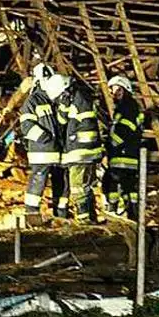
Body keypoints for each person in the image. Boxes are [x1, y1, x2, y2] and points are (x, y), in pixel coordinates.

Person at [19, 63, 69, 220]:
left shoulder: (55, 99)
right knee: (39, 179)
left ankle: (61, 213)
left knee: (62, 181)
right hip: (42, 151)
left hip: (58, 151)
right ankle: (31, 213)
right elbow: (26, 125)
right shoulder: (32, 101)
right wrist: (44, 138)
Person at [55, 74, 103, 222]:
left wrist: (62, 104)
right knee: (86, 186)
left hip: (79, 152)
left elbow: (62, 120)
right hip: (89, 152)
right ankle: (91, 216)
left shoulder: (76, 99)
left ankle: (84, 220)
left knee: (77, 187)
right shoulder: (82, 97)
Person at [103, 75, 144, 217]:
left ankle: (113, 209)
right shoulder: (127, 107)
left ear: (126, 91)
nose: (114, 94)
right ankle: (132, 213)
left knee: (111, 182)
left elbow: (124, 130)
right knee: (128, 186)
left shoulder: (127, 107)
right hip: (127, 154)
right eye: (113, 91)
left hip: (123, 155)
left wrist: (109, 144)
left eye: (118, 91)